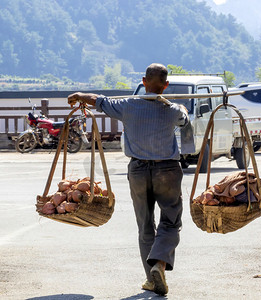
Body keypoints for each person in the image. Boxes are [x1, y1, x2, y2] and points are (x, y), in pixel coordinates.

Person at [67, 63, 189, 296]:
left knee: (145, 225)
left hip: (138, 170)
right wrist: (180, 107)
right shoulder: (172, 109)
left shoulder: (127, 106)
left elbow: (99, 100)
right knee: (171, 221)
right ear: (166, 85)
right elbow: (183, 121)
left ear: (143, 82)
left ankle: (151, 279)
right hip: (167, 170)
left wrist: (81, 95)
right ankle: (159, 265)